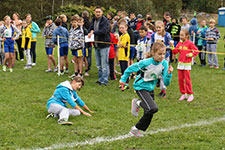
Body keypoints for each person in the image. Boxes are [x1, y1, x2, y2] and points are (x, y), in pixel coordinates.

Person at [120, 41, 173, 137]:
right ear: (153, 53)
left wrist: (169, 74)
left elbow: (166, 83)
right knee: (153, 108)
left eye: (164, 54)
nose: (162, 56)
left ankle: (135, 129)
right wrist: (123, 79)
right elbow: (130, 69)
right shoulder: (146, 62)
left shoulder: (164, 64)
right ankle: (137, 103)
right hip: (140, 87)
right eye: (159, 54)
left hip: (150, 88)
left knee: (150, 111)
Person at [172, 29, 199, 102]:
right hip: (180, 64)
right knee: (180, 80)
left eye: (182, 35)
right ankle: (183, 93)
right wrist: (172, 46)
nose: (180, 37)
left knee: (187, 80)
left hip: (187, 65)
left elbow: (196, 51)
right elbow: (174, 52)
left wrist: (191, 54)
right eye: (180, 35)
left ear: (187, 36)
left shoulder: (190, 43)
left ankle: (190, 94)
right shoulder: (179, 43)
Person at [88, 6, 111, 86]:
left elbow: (104, 31)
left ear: (102, 12)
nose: (97, 13)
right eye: (96, 12)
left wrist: (94, 32)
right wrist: (90, 32)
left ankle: (105, 81)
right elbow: (90, 28)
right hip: (96, 44)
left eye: (99, 12)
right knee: (98, 65)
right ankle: (100, 79)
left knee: (104, 64)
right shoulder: (94, 20)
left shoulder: (105, 21)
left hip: (104, 44)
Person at [150, 20, 173, 98]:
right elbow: (152, 45)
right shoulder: (153, 35)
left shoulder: (167, 35)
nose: (158, 29)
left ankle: (163, 90)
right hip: (155, 57)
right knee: (154, 72)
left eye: (159, 27)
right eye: (156, 27)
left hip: (164, 57)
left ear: (163, 27)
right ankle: (151, 88)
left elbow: (171, 45)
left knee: (164, 73)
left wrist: (170, 45)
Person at [115, 22, 130, 89]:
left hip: (125, 55)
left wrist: (118, 38)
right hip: (121, 55)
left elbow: (121, 45)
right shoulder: (121, 36)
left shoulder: (126, 36)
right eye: (120, 28)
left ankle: (127, 83)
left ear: (126, 28)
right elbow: (118, 45)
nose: (121, 29)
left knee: (125, 70)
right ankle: (122, 83)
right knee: (122, 70)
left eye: (122, 28)